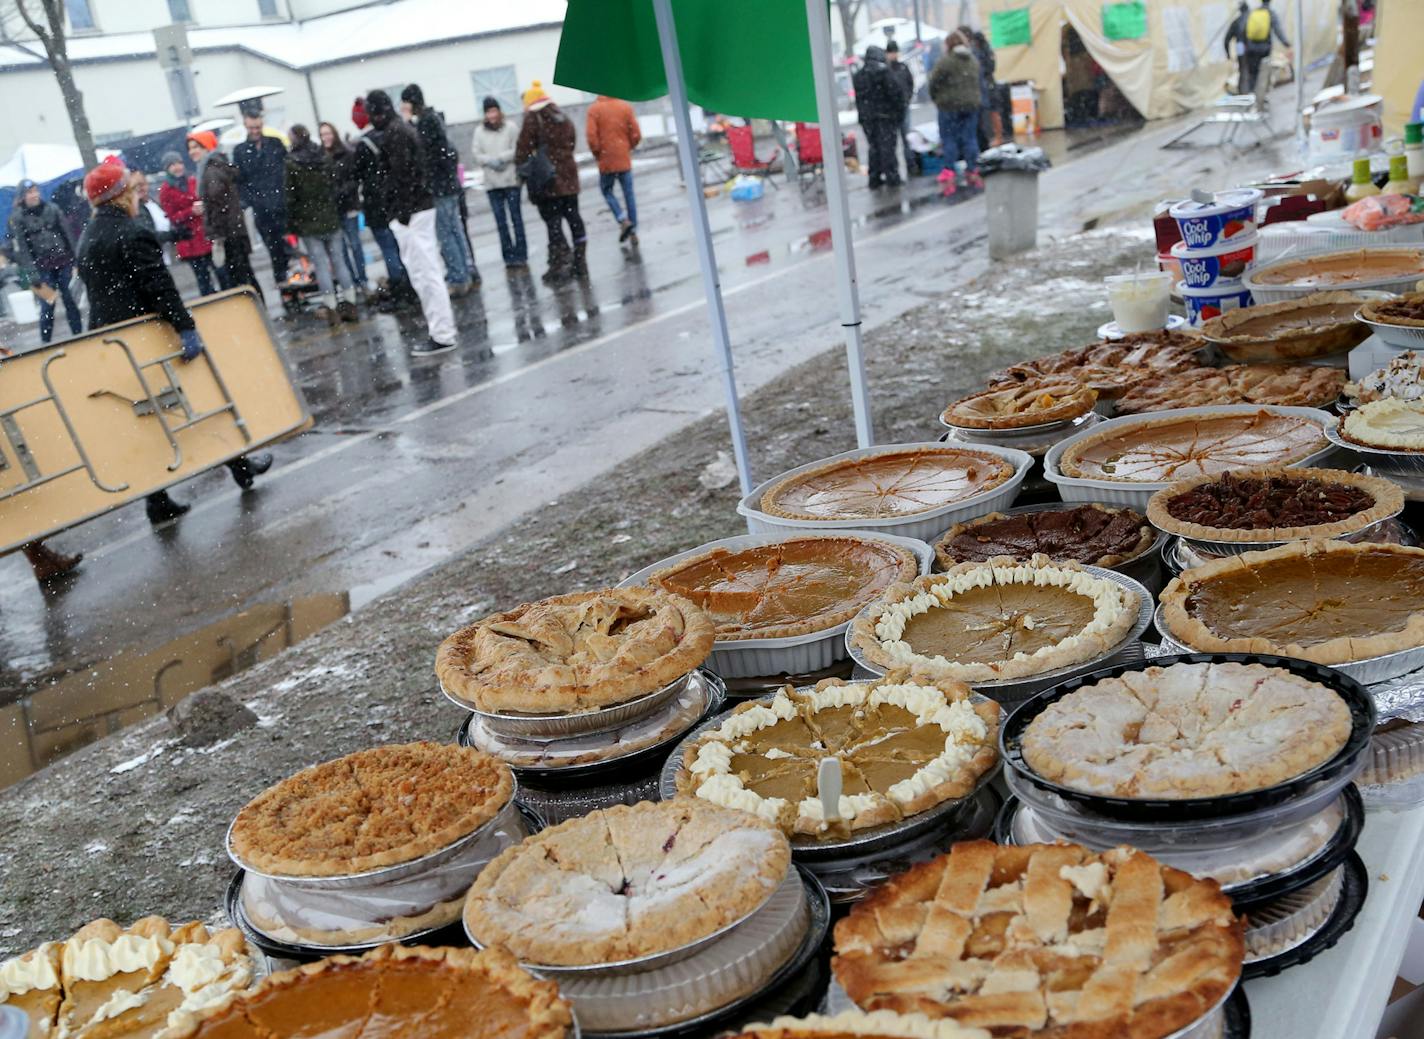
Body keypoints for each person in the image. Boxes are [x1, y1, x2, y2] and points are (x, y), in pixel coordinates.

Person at [75, 162, 272, 525]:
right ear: (121, 195)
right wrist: (185, 326)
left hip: (112, 340)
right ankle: (238, 465)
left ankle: (159, 498)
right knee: (200, 398)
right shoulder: (133, 233)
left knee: (147, 419)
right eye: (131, 190)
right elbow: (159, 287)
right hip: (148, 334)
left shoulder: (88, 237)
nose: (137, 195)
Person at [363, 89, 457, 354]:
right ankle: (441, 331)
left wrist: (400, 212)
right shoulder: (400, 130)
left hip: (411, 212)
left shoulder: (396, 134)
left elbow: (404, 176)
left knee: (425, 274)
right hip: (414, 209)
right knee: (426, 273)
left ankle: (442, 333)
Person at [399, 83, 477, 294]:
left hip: (440, 186)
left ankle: (458, 277)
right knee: (455, 230)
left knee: (446, 234)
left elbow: (422, 150)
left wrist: (407, 124)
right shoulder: (434, 119)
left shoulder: (424, 123)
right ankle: (466, 271)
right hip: (449, 184)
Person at [285, 124, 359, 325]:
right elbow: (334, 184)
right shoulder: (323, 157)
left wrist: (292, 223)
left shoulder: (292, 163)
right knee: (339, 262)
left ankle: (332, 308)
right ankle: (351, 303)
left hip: (309, 222)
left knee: (321, 266)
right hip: (330, 217)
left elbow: (291, 197)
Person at [516, 82, 586, 284]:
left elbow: (522, 149)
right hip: (569, 177)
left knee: (553, 223)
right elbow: (572, 141)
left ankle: (560, 264)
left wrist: (527, 165)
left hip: (548, 181)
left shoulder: (533, 118)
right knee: (574, 218)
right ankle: (580, 262)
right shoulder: (562, 116)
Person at [188, 131, 262, 299]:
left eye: (196, 147)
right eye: (190, 148)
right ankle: (257, 311)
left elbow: (218, 203)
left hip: (228, 234)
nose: (192, 151)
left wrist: (217, 235)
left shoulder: (211, 171)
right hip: (234, 231)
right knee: (245, 276)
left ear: (207, 147)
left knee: (238, 280)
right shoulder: (216, 166)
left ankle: (253, 315)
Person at [8, 180, 81, 343]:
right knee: (48, 306)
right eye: (29, 193)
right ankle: (45, 342)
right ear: (22, 197)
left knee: (71, 300)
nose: (34, 195)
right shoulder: (18, 217)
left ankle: (79, 337)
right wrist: (32, 275)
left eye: (35, 191)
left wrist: (76, 259)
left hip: (64, 263)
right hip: (42, 269)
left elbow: (67, 234)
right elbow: (22, 250)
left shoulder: (52, 209)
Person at [232, 111, 291, 292]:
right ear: (246, 127)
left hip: (282, 205)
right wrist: (250, 200)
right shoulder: (240, 151)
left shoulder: (275, 144)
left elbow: (287, 171)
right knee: (274, 250)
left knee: (290, 246)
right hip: (262, 209)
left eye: (257, 127)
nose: (255, 131)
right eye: (251, 128)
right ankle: (284, 285)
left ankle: (297, 280)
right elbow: (239, 180)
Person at [472, 96, 527, 269]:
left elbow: (518, 148)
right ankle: (508, 255)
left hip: (510, 180)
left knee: (516, 218)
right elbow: (476, 153)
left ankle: (521, 253)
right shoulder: (479, 131)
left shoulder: (510, 127)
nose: (492, 115)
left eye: (494, 110)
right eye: (488, 112)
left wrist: (502, 158)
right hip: (492, 183)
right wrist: (490, 160)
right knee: (500, 221)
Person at [929, 31, 984, 196]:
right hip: (971, 105)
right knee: (969, 138)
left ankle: (949, 170)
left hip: (949, 106)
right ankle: (973, 168)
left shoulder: (946, 61)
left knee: (949, 139)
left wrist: (937, 98)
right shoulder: (973, 61)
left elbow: (933, 82)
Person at [157, 151, 218, 296]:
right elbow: (172, 217)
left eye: (179, 163)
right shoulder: (165, 190)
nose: (177, 167)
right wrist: (190, 211)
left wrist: (203, 206)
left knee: (220, 272)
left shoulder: (192, 180)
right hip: (188, 240)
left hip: (204, 235)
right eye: (172, 165)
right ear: (167, 169)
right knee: (203, 279)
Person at [586, 93, 642, 242]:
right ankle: (633, 231)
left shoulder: (594, 110)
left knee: (607, 190)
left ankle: (622, 218)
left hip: (606, 160)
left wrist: (598, 153)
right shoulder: (624, 106)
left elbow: (591, 137)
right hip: (623, 157)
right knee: (629, 194)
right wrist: (626, 147)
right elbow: (636, 134)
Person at [319, 121, 367, 293]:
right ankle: (352, 281)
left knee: (355, 245)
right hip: (334, 210)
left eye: (328, 133)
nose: (326, 137)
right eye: (323, 134)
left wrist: (340, 192)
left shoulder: (345, 153)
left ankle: (362, 280)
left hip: (348, 206)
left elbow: (354, 178)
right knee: (341, 251)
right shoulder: (321, 157)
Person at [853, 46, 908, 189]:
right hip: (885, 117)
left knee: (874, 147)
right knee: (888, 147)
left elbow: (860, 99)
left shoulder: (859, 76)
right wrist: (899, 111)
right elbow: (896, 94)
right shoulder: (884, 72)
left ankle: (874, 177)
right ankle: (892, 176)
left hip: (868, 119)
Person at [1241, 0, 1291, 97]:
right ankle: (1262, 97)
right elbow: (1278, 31)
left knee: (1252, 74)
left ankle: (1252, 96)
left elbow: (1243, 31)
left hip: (1251, 49)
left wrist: (1245, 47)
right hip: (1265, 49)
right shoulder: (1270, 13)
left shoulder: (1252, 13)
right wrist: (1287, 44)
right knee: (1264, 73)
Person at [884, 40, 918, 177]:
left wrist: (907, 98)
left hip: (902, 107)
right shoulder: (888, 70)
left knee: (906, 139)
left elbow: (910, 84)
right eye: (892, 52)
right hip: (893, 110)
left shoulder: (901, 67)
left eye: (895, 52)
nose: (894, 55)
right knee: (895, 141)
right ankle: (895, 170)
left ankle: (910, 165)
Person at [963, 29, 1001, 150]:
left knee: (988, 113)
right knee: (994, 112)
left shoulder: (977, 52)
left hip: (985, 85)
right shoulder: (988, 50)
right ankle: (998, 136)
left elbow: (981, 70)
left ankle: (995, 138)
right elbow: (991, 67)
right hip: (990, 83)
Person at [1223, 1, 1252, 94]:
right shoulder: (1253, 18)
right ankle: (1251, 91)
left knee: (1243, 71)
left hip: (1241, 49)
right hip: (1252, 48)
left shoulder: (1236, 21)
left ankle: (1243, 92)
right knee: (1253, 71)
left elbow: (1226, 40)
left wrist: (1228, 54)